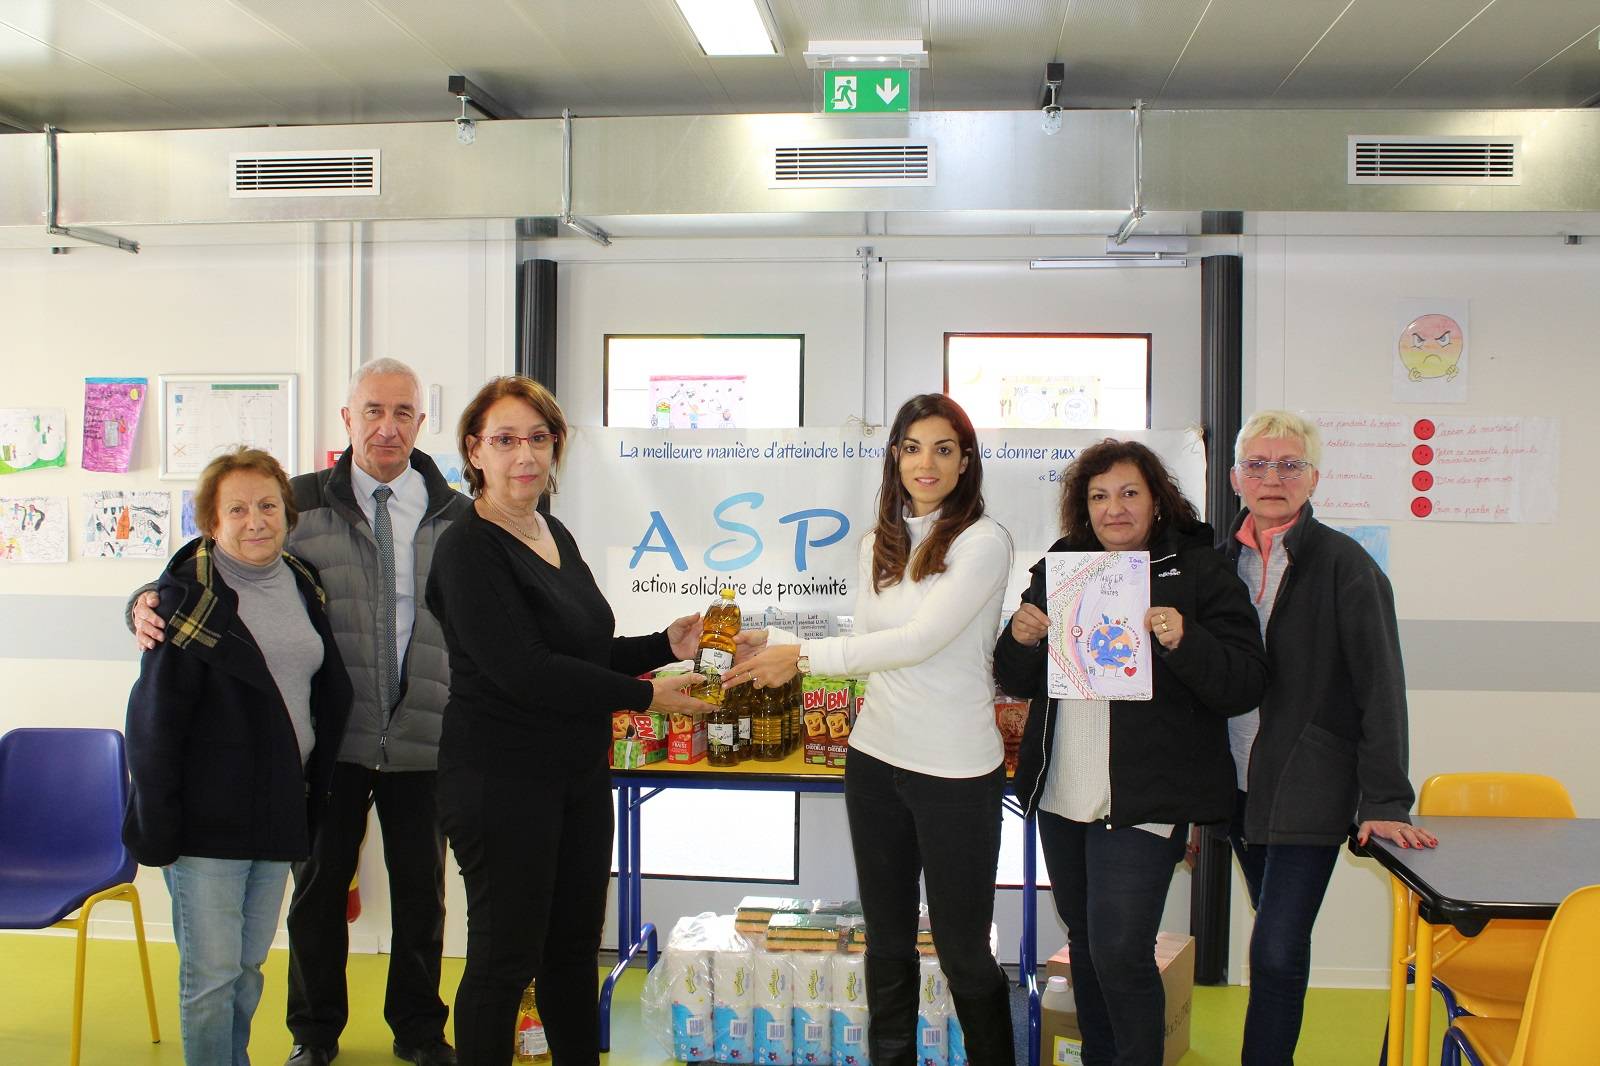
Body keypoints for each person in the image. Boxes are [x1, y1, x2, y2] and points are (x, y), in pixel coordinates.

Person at [132, 358, 469, 1066]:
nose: (387, 426)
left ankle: (417, 1030)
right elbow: (210, 563)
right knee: (316, 895)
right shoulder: (299, 502)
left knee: (422, 896)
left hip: (422, 734)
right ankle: (313, 1034)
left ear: (421, 422)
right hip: (330, 745)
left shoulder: (456, 515)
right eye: (373, 410)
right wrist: (140, 601)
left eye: (402, 412)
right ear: (348, 418)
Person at [424, 375, 712, 1066]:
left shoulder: (551, 531)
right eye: (505, 440)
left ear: (556, 446)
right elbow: (525, 670)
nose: (524, 454)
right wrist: (647, 697)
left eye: (538, 437)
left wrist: (662, 647)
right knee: (503, 960)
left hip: (576, 775)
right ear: (475, 451)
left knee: (572, 951)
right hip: (500, 781)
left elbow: (582, 652)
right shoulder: (467, 548)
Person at [721, 393, 1016, 1066]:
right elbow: (870, 636)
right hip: (876, 760)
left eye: (943, 449)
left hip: (955, 771)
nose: (926, 463)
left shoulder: (983, 542)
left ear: (965, 461)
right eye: (912, 448)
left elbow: (918, 641)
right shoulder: (876, 543)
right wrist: (780, 637)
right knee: (886, 940)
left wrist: (799, 656)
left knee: (963, 952)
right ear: (895, 458)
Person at [994, 439, 1266, 1066]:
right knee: (1088, 944)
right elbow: (1015, 677)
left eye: (1128, 493)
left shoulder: (1198, 571)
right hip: (1064, 789)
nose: (1113, 508)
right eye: (1099, 496)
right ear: (1083, 507)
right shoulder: (1062, 565)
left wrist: (1184, 639)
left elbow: (1245, 683)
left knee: (1120, 949)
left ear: (1156, 500)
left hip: (1148, 797)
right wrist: (1021, 637)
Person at [123, 448, 352, 1066]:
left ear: (287, 513)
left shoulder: (302, 582)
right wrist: (158, 823)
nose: (256, 521)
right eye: (238, 509)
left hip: (278, 810)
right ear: (211, 521)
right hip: (206, 822)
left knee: (248, 969)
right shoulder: (183, 600)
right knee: (212, 977)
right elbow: (154, 725)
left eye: (268, 506)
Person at [1222, 411, 1436, 1066]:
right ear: (1236, 477)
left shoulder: (1347, 566)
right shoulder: (1218, 564)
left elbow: (1381, 686)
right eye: (1258, 464)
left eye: (1290, 464)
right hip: (1236, 789)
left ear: (1313, 478)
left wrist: (1385, 800)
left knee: (1275, 948)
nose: (1273, 478)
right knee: (1276, 938)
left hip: (1310, 785)